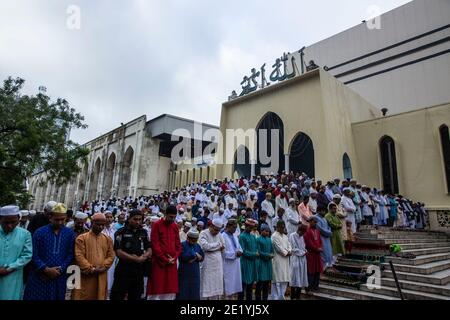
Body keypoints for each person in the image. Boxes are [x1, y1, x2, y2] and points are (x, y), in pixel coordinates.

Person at [24, 203, 76, 300]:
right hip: (39, 276)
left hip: (59, 276)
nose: (60, 222)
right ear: (50, 217)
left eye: (63, 219)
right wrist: (45, 269)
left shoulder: (70, 234)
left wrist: (60, 269)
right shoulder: (39, 232)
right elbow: (33, 254)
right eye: (57, 219)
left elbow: (70, 254)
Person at [72, 213, 115, 300]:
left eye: (102, 225)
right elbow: (79, 256)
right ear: (92, 223)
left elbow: (111, 255)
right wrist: (91, 269)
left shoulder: (107, 239)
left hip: (101, 274)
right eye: (98, 224)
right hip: (85, 275)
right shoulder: (82, 238)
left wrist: (104, 267)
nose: (100, 227)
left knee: (100, 295)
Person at [110, 210, 151, 300]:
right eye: (135, 219)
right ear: (129, 219)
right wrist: (134, 259)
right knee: (118, 295)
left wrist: (144, 256)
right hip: (124, 270)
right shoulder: (121, 232)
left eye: (140, 219)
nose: (137, 222)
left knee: (136, 296)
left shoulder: (143, 232)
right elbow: (118, 252)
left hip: (138, 271)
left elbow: (149, 248)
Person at [148, 205, 181, 300]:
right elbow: (155, 245)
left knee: (170, 291)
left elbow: (178, 246)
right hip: (159, 263)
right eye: (171, 217)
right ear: (165, 214)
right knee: (157, 290)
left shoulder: (174, 226)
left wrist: (174, 258)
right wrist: (165, 259)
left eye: (174, 217)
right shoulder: (157, 225)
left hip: (172, 264)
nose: (172, 219)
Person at [0, 205, 32, 300]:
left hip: (13, 277)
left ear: (19, 219)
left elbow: (27, 255)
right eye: (6, 222)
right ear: (0, 219)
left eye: (13, 222)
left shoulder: (25, 234)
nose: (10, 225)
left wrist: (9, 269)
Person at [199, 218, 225, 300]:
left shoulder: (219, 234)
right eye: (215, 230)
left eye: (218, 230)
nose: (216, 232)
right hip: (207, 264)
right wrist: (218, 245)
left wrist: (213, 247)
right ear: (211, 226)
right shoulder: (203, 233)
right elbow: (204, 246)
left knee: (216, 286)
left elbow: (223, 247)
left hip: (217, 265)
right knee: (206, 286)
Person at [177, 229, 204, 300]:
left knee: (194, 292)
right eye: (192, 240)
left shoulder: (197, 245)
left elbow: (202, 257)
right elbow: (184, 257)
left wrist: (196, 257)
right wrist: (195, 254)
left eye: (195, 240)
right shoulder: (182, 245)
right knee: (183, 292)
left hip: (195, 273)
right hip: (184, 273)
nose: (194, 242)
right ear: (188, 238)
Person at [271, 220, 292, 300]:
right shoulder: (274, 236)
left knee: (284, 280)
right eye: (282, 227)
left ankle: (281, 297)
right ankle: (275, 298)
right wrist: (286, 253)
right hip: (277, 260)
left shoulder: (285, 236)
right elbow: (278, 248)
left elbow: (289, 245)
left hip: (285, 261)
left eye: (284, 227)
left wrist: (290, 251)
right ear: (278, 227)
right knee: (277, 281)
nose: (283, 229)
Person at [238, 219, 259, 300]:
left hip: (252, 263)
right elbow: (242, 251)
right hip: (245, 263)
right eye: (249, 227)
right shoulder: (242, 236)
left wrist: (256, 252)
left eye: (252, 227)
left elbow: (256, 248)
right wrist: (254, 254)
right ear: (246, 226)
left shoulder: (253, 237)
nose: (250, 229)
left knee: (250, 287)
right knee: (242, 286)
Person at [222, 219, 243, 299]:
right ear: (228, 226)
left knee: (234, 288)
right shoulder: (223, 236)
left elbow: (239, 248)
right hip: (228, 265)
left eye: (236, 227)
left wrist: (240, 252)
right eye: (234, 227)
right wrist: (234, 254)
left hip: (236, 264)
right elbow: (223, 253)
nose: (235, 229)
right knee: (227, 288)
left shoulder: (235, 236)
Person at [303, 216, 323, 292]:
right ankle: (309, 287)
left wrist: (320, 247)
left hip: (317, 254)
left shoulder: (317, 231)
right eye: (314, 222)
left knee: (317, 270)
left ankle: (316, 286)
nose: (315, 223)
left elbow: (320, 241)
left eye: (316, 222)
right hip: (311, 254)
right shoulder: (307, 231)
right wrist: (316, 248)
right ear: (310, 222)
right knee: (311, 271)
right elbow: (308, 242)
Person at [289, 224, 308, 300]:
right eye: (302, 232)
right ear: (299, 230)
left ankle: (298, 297)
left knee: (301, 278)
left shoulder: (302, 236)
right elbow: (293, 248)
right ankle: (292, 297)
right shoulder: (292, 235)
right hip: (296, 259)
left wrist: (305, 251)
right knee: (294, 279)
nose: (303, 234)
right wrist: (303, 253)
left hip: (302, 260)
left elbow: (303, 247)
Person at [255, 224, 274, 300]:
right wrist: (267, 255)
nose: (267, 233)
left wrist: (271, 255)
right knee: (260, 283)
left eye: (268, 231)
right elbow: (258, 251)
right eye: (266, 231)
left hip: (268, 263)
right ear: (261, 231)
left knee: (266, 283)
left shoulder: (269, 240)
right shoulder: (258, 239)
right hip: (261, 263)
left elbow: (272, 251)